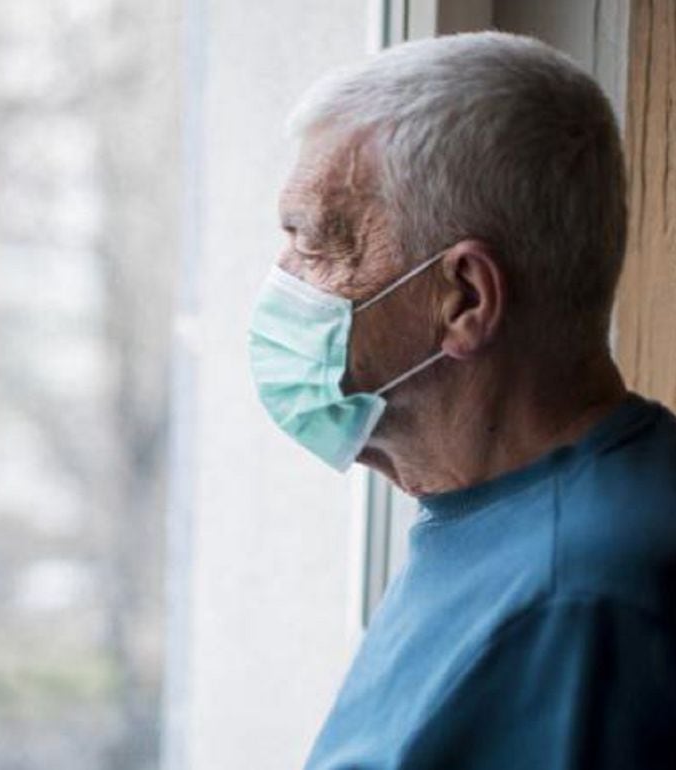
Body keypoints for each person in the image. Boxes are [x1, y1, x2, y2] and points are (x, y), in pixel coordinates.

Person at [248, 31, 676, 768]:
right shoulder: (499, 511)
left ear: (465, 298)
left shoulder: (576, 600)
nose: (283, 283)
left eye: (313, 243)